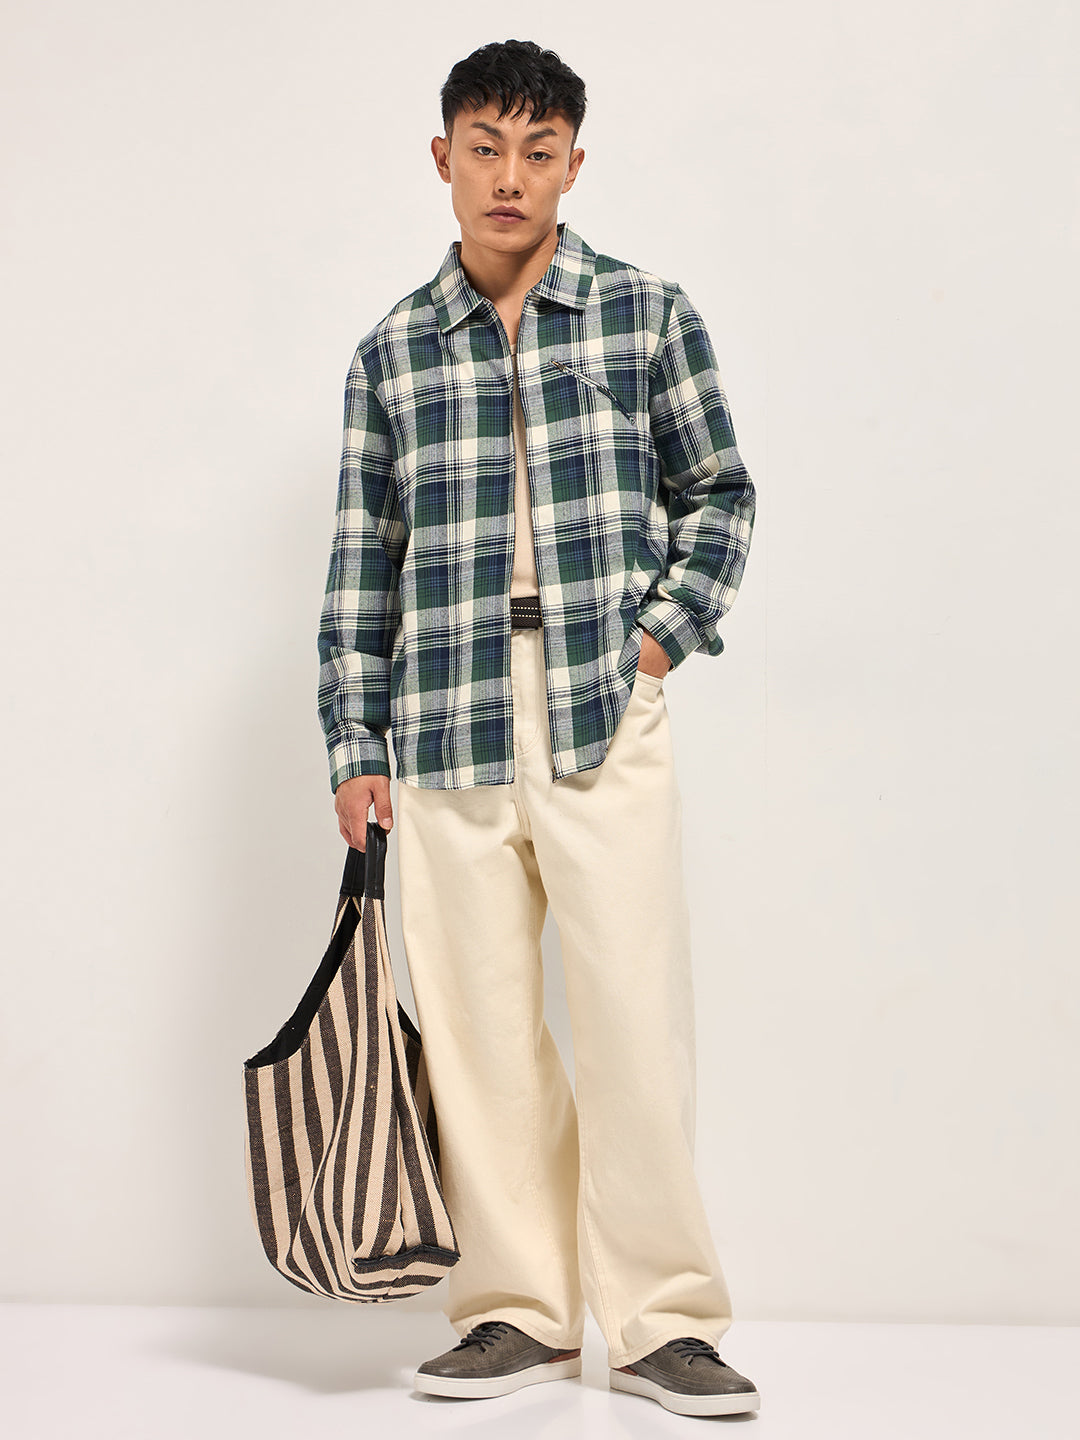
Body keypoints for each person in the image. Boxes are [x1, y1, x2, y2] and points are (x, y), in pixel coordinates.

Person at [317, 38, 760, 1419]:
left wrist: (656, 640)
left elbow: (721, 494)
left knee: (632, 1015)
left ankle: (664, 1319)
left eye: (539, 150)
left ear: (574, 164)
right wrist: (354, 745)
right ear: (442, 158)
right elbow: (361, 566)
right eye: (485, 148)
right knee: (478, 1031)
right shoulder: (393, 351)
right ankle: (515, 1310)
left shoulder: (644, 315)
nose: (510, 176)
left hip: (598, 706)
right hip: (442, 719)